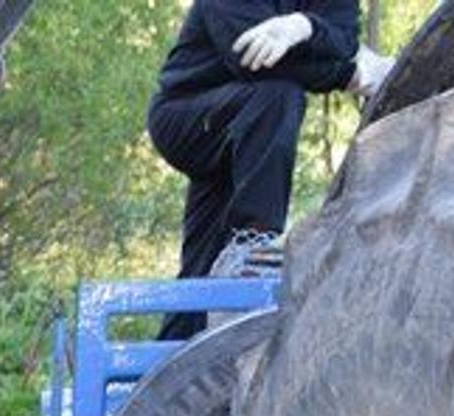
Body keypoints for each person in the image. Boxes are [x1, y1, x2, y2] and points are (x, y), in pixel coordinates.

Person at [147, 0, 393, 337]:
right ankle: (253, 243)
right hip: (187, 115)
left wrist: (304, 26)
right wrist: (351, 74)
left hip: (249, 127)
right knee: (279, 96)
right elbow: (251, 62)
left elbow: (344, 39)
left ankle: (165, 365)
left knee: (202, 262)